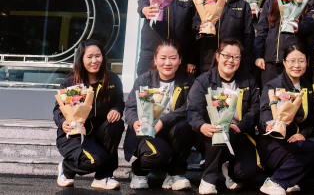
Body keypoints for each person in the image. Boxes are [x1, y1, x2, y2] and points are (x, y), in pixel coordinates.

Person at [187, 39, 262, 194]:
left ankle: (227, 166)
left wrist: (241, 126)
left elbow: (256, 109)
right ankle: (208, 180)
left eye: (236, 57)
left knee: (247, 172)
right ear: (217, 56)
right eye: (226, 56)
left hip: (239, 134)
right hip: (210, 136)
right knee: (219, 132)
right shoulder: (203, 81)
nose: (231, 60)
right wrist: (202, 125)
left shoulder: (249, 81)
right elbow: (192, 110)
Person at [257, 45, 314, 195]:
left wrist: (303, 134)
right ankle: (274, 182)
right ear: (284, 62)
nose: (296, 65)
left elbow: (313, 117)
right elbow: (265, 111)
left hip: (296, 142)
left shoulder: (306, 86)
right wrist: (270, 125)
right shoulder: (273, 86)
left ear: (307, 63)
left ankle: (291, 179)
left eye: (301, 61)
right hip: (274, 143)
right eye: (292, 61)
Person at [124, 39, 195, 190]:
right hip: (147, 132)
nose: (167, 63)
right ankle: (138, 172)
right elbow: (130, 108)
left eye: (173, 58)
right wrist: (135, 121)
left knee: (186, 126)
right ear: (155, 60)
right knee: (159, 153)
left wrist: (164, 120)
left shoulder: (188, 80)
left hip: (173, 131)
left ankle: (175, 174)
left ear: (180, 60)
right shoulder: (144, 79)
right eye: (163, 58)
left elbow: (190, 106)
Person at [55, 40, 125, 190]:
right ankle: (66, 169)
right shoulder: (71, 82)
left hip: (99, 133)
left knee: (116, 124)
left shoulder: (112, 79)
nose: (94, 61)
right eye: (89, 57)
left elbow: (119, 102)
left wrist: (116, 110)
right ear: (81, 59)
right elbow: (58, 110)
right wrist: (62, 122)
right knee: (98, 160)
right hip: (75, 134)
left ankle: (103, 177)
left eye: (98, 56)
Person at [254, 0, 314, 87]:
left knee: (296, 97)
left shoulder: (308, 3)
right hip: (271, 62)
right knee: (270, 96)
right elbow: (261, 31)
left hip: (296, 64)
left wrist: (299, 27)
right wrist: (259, 56)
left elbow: (311, 24)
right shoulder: (271, 2)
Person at [137, 0, 197, 75]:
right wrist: (145, 10)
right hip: (151, 53)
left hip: (178, 56)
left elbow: (191, 33)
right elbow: (142, 5)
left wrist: (191, 60)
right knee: (147, 84)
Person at [194, 0, 255, 70]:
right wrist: (199, 27)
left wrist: (245, 59)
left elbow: (248, 35)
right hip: (209, 57)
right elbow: (195, 22)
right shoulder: (205, 1)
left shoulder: (243, 5)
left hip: (232, 60)